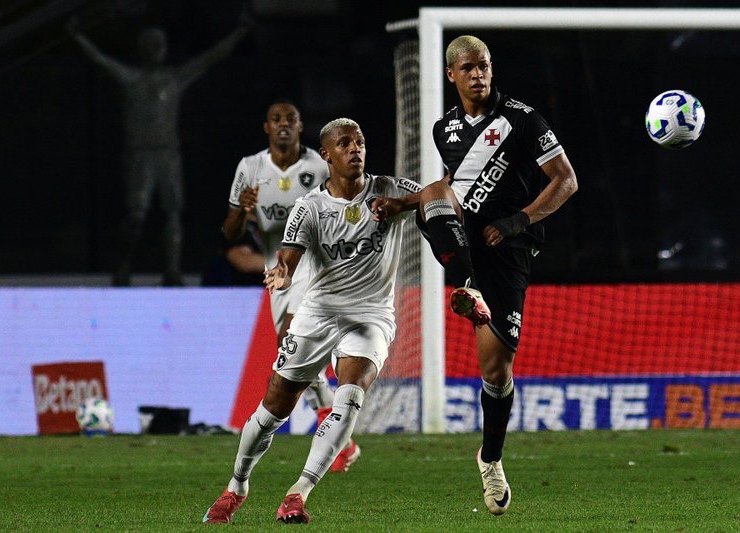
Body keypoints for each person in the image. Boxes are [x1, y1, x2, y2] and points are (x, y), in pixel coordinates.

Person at [372, 35, 578, 515]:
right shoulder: (444, 129)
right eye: (468, 68)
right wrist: (405, 203)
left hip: (508, 248)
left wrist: (520, 220)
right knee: (433, 201)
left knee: (495, 370)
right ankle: (466, 287)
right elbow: (449, 185)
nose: (478, 74)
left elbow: (566, 180)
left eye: (484, 65)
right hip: (464, 243)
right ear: (452, 75)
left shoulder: (523, 120)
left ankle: (490, 459)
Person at [203, 118, 422, 524]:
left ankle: (297, 494)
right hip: (319, 312)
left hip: (372, 314)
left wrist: (403, 206)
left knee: (350, 395)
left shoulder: (391, 189)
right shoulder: (310, 208)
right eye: (344, 144)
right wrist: (281, 274)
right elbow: (287, 258)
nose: (355, 149)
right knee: (273, 408)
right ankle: (237, 486)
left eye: (359, 141)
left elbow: (440, 194)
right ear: (327, 156)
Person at [222, 100, 359, 473]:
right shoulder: (249, 169)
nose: (284, 125)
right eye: (277, 120)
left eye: (291, 120)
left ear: (301, 128)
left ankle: (333, 424)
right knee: (292, 349)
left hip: (316, 265)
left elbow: (346, 203)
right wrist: (241, 209)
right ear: (266, 127)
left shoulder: (318, 165)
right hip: (277, 271)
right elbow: (229, 234)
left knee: (293, 338)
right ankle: (334, 428)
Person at [70, 13, 250, 286]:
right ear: (142, 49)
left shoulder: (174, 78)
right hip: (140, 154)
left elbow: (213, 56)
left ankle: (172, 270)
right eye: (150, 44)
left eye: (159, 44)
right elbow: (100, 59)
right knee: (136, 214)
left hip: (167, 154)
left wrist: (240, 31)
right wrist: (78, 36)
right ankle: (123, 265)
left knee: (173, 210)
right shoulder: (132, 78)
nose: (156, 49)